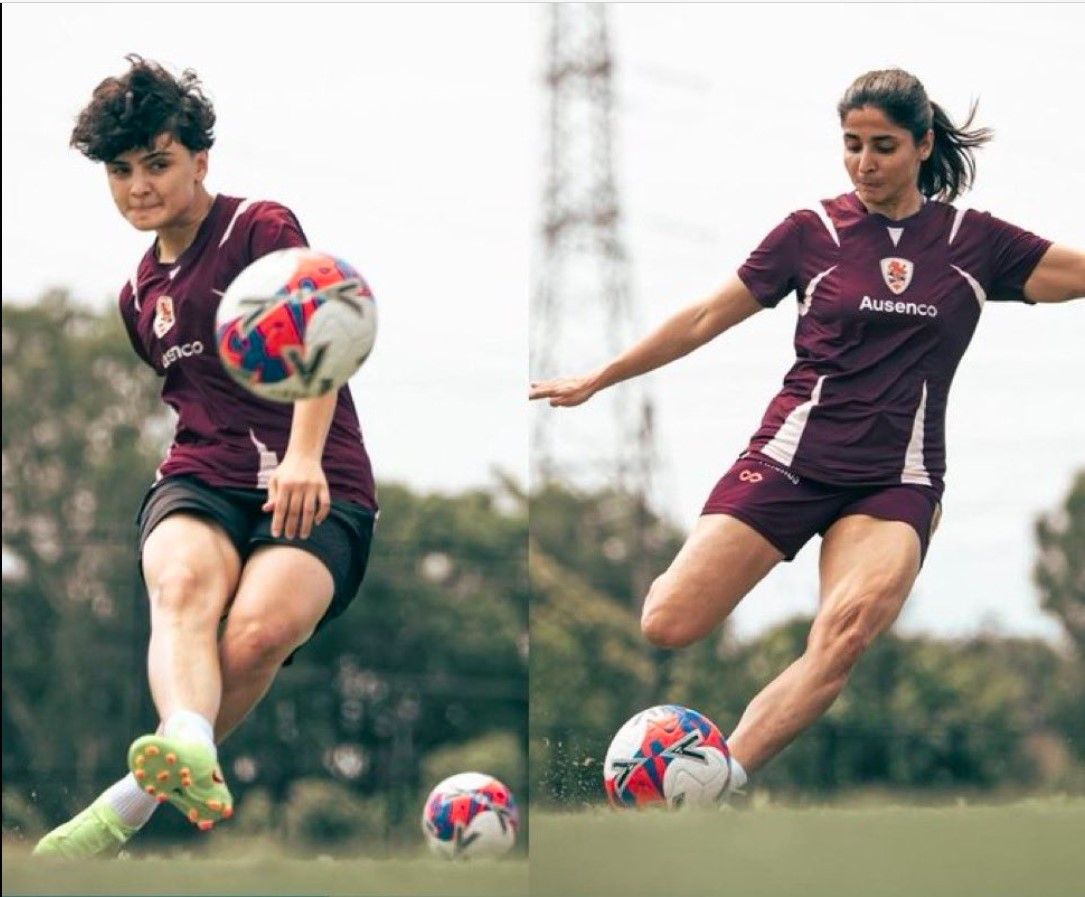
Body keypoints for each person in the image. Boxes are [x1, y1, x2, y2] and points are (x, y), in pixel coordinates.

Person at [530, 68, 1084, 796]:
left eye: (882, 146)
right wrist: (601, 375)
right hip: (790, 460)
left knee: (842, 636)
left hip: (895, 482)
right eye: (851, 144)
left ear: (922, 145)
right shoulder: (809, 233)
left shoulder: (971, 242)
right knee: (667, 620)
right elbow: (704, 316)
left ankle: (713, 785)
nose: (864, 162)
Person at [34, 55, 378, 856]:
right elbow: (193, 401)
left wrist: (302, 455)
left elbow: (320, 328)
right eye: (120, 171)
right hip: (201, 473)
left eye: (156, 163)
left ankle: (129, 801)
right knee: (182, 584)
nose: (138, 187)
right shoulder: (137, 296)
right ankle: (187, 740)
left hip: (318, 477)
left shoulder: (259, 227)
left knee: (257, 633)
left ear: (200, 161)